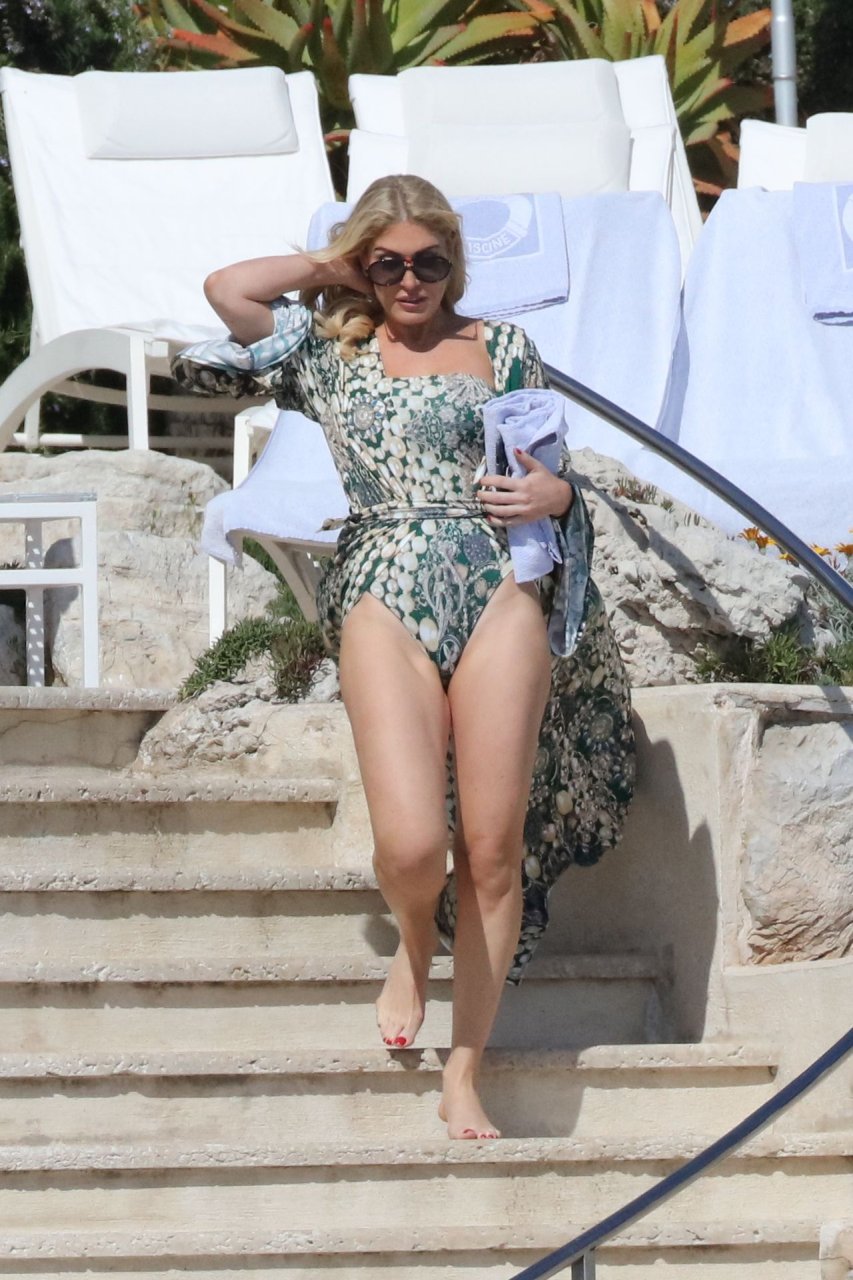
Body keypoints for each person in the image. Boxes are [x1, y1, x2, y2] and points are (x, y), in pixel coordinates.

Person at [173, 174, 635, 1140]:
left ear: (454, 263)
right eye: (388, 264)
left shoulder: (503, 346)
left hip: (496, 581)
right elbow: (227, 288)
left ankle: (465, 1070)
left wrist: (555, 497)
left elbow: (546, 465)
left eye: (429, 261)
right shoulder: (326, 350)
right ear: (363, 266)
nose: (411, 280)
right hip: (381, 579)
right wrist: (335, 265)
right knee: (415, 845)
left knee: (492, 850)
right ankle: (415, 935)